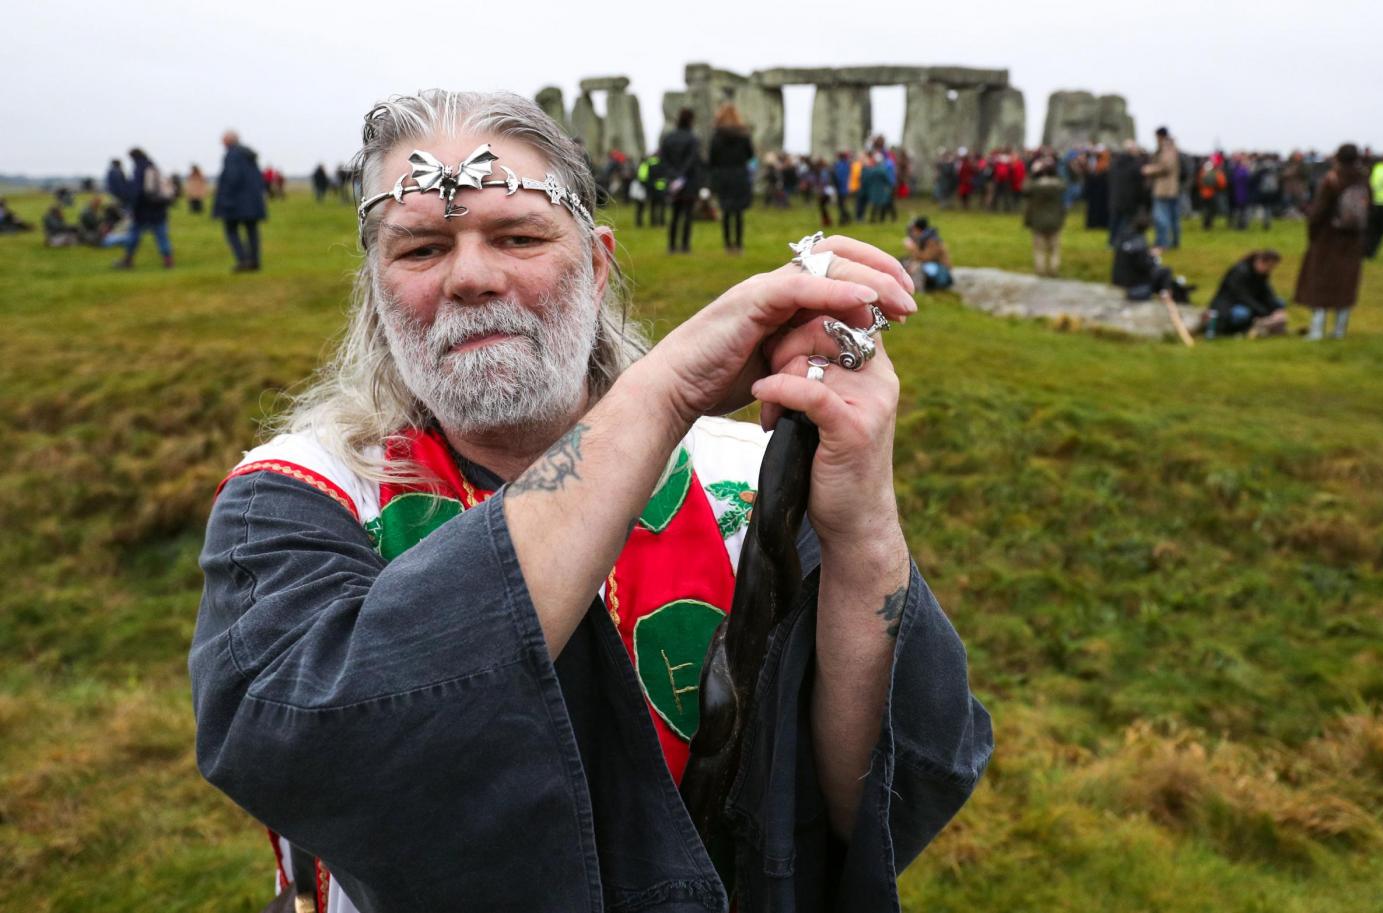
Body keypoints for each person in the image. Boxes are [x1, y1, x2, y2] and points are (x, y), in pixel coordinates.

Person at [190, 89, 990, 913]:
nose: (471, 276)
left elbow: (887, 792)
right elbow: (308, 742)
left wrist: (862, 528)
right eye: (421, 248)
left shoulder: (744, 482)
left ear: (599, 263)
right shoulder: (300, 495)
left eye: (519, 236)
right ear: (376, 290)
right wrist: (662, 392)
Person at [1296, 143, 1370, 340]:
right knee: (1346, 284)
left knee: (1321, 282)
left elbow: (1318, 212)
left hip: (1328, 238)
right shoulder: (1363, 179)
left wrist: (1313, 233)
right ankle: (1339, 330)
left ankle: (1317, 330)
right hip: (1353, 240)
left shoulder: (1332, 180)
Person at [212, 130, 269, 272]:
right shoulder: (249, 156)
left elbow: (232, 178)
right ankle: (254, 260)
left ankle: (243, 260)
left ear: (229, 141)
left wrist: (224, 200)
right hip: (252, 202)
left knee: (231, 230)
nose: (221, 142)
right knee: (252, 231)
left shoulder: (233, 155)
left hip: (235, 203)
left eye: (223, 139)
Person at [1204, 250, 1288, 338]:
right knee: (1242, 314)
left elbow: (1267, 293)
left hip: (1250, 302)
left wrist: (1277, 309)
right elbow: (1242, 297)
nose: (1270, 270)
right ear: (1261, 262)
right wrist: (1263, 312)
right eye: (1269, 266)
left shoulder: (1262, 274)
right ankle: (1238, 329)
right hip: (1230, 304)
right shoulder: (1240, 272)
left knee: (1279, 302)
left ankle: (1268, 325)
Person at [113, 147, 173, 269]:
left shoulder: (139, 169)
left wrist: (132, 207)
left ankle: (127, 260)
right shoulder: (153, 166)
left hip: (142, 210)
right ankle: (168, 260)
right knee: (162, 236)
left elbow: (137, 192)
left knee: (134, 235)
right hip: (158, 208)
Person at [707, 102, 754, 253]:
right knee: (738, 212)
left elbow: (712, 159)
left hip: (723, 175)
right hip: (739, 174)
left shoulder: (717, 136)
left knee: (726, 210)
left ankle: (728, 244)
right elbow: (750, 155)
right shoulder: (743, 136)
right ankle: (739, 244)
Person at [1112, 213, 1190, 302]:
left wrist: (1148, 254)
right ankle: (1166, 295)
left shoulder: (1124, 236)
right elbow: (1145, 265)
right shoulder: (1140, 242)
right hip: (1136, 282)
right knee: (1166, 271)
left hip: (1118, 279)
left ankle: (1166, 292)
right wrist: (1153, 256)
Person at [659, 107, 701, 253]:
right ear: (691, 121)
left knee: (675, 215)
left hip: (672, 181)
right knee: (687, 215)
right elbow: (692, 160)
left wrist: (673, 175)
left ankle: (671, 246)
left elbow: (663, 159)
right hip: (688, 181)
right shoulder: (693, 139)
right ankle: (685, 245)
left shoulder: (668, 138)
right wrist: (682, 175)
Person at [1024, 157, 1067, 277]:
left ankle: (1040, 270)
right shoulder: (1059, 186)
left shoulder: (1035, 186)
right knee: (1055, 249)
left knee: (1039, 249)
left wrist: (1033, 173)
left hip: (1038, 220)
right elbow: (1064, 183)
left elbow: (1024, 189)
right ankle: (1054, 269)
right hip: (1055, 220)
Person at [1142, 126, 1181, 249]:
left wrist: (1149, 170)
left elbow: (1166, 167)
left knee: (1161, 217)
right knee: (1172, 218)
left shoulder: (1167, 147)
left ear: (1159, 136)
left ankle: (1163, 243)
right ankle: (1173, 242)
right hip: (1170, 189)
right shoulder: (1171, 147)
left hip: (1164, 189)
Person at [902, 215, 954, 290]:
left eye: (914, 230)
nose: (912, 233)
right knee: (906, 262)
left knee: (916, 267)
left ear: (918, 229)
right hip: (933, 265)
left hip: (940, 269)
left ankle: (917, 287)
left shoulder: (932, 240)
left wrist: (912, 248)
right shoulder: (923, 238)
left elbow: (927, 257)